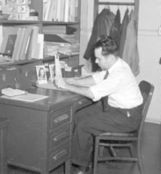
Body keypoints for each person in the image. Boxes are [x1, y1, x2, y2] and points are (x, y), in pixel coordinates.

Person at [57, 36, 143, 174]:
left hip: (127, 118)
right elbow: (95, 79)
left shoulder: (119, 74)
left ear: (109, 57)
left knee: (84, 125)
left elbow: (92, 93)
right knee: (79, 116)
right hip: (119, 110)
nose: (96, 61)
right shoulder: (117, 63)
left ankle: (80, 168)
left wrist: (66, 86)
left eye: (99, 58)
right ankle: (85, 156)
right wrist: (73, 80)